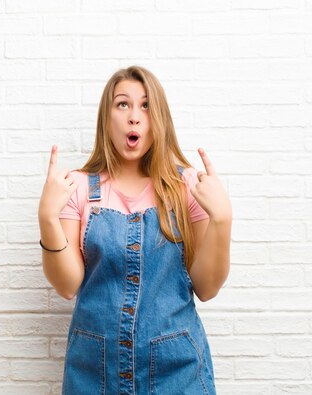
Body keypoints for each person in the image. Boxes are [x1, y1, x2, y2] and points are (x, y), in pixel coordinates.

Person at [38, 65, 232, 394]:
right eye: (122, 104)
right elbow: (67, 285)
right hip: (95, 373)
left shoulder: (187, 187)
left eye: (145, 106)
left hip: (177, 371)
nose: (134, 116)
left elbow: (207, 287)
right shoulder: (79, 188)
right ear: (107, 117)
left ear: (160, 119)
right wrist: (47, 218)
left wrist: (222, 219)